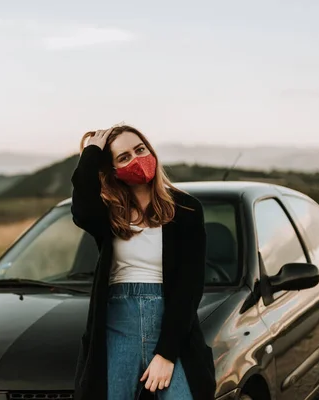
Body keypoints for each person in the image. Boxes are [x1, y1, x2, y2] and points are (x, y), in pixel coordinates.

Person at [70, 124, 216, 400]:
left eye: (140, 149)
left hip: (169, 320)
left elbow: (190, 286)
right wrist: (91, 153)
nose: (137, 160)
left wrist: (166, 353)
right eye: (123, 157)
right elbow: (81, 210)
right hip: (116, 321)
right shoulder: (107, 214)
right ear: (112, 171)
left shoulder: (187, 209)